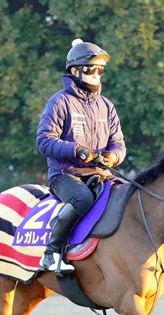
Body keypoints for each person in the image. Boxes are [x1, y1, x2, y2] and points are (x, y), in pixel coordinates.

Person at [37, 38, 126, 274]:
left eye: (100, 69)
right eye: (90, 68)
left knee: (127, 195)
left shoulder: (107, 107)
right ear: (75, 71)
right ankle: (51, 253)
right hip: (66, 176)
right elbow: (44, 141)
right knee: (83, 200)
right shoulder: (59, 102)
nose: (96, 74)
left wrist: (112, 158)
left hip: (99, 174)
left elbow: (119, 145)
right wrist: (75, 150)